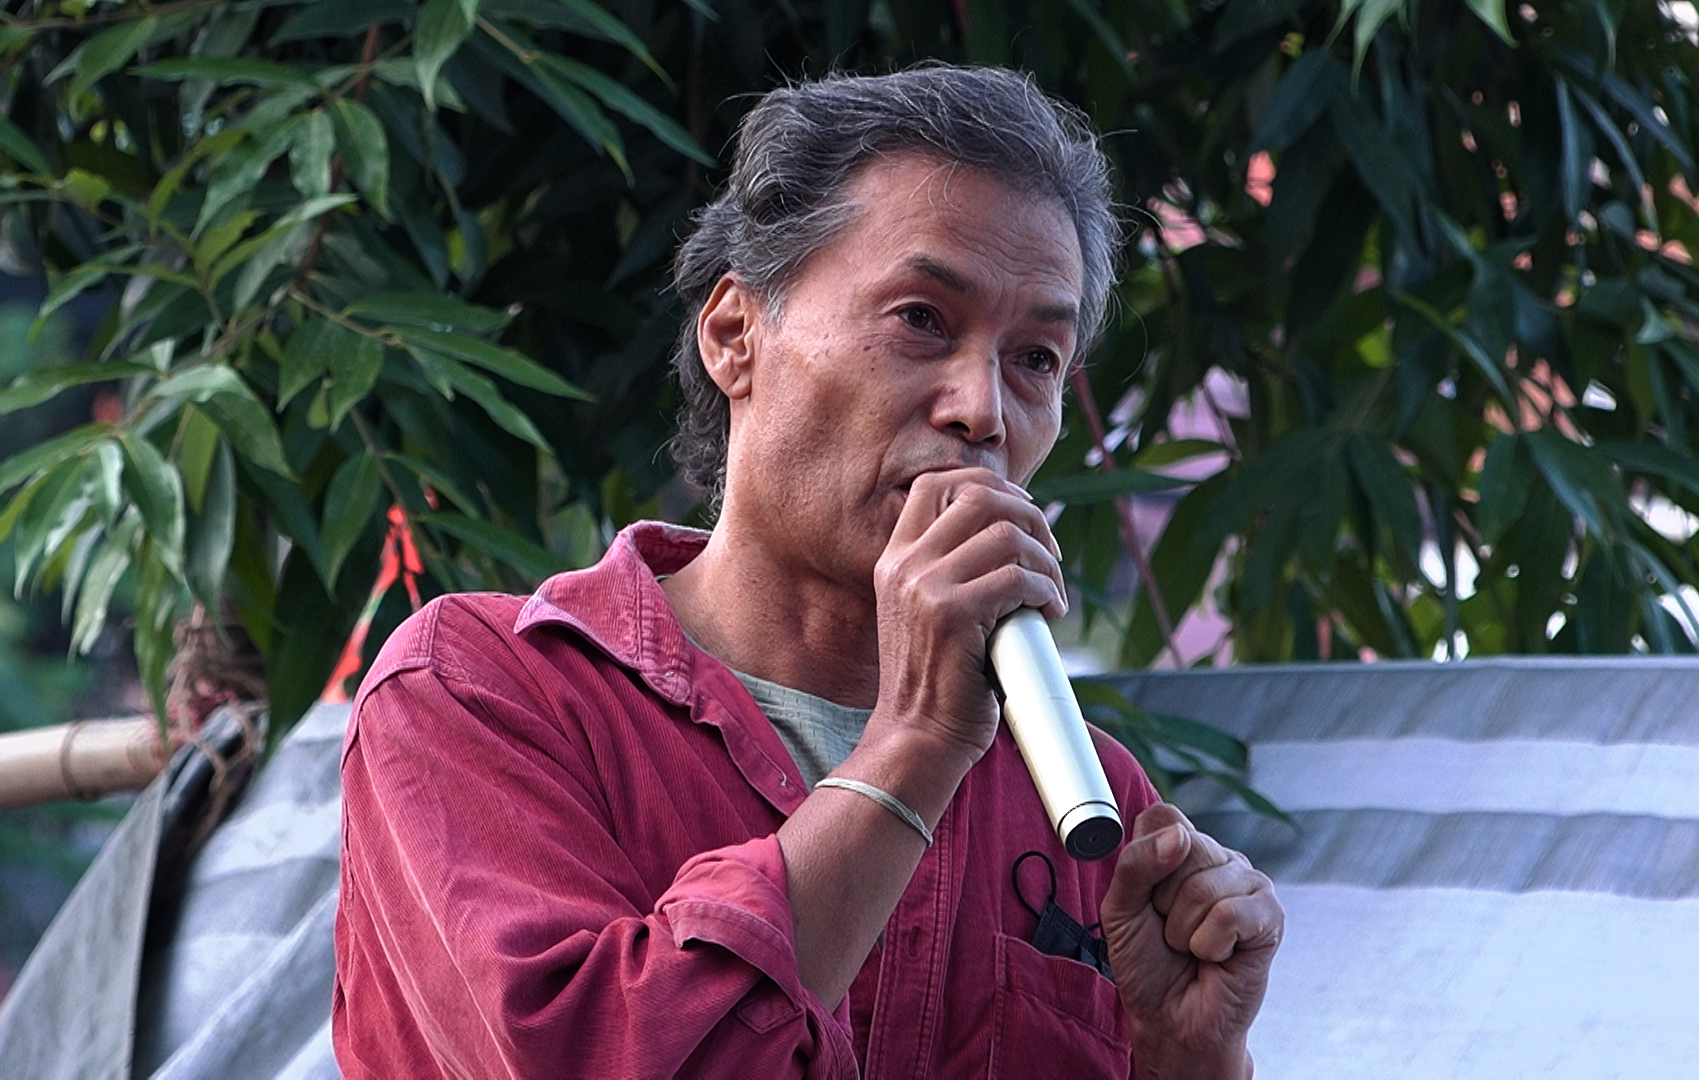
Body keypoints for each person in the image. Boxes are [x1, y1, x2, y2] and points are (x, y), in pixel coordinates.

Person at [333, 66, 1283, 1078]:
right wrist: (914, 745)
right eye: (921, 318)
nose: (981, 411)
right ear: (734, 335)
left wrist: (1189, 1062)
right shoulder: (479, 690)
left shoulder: (1082, 796)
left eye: (1036, 358)